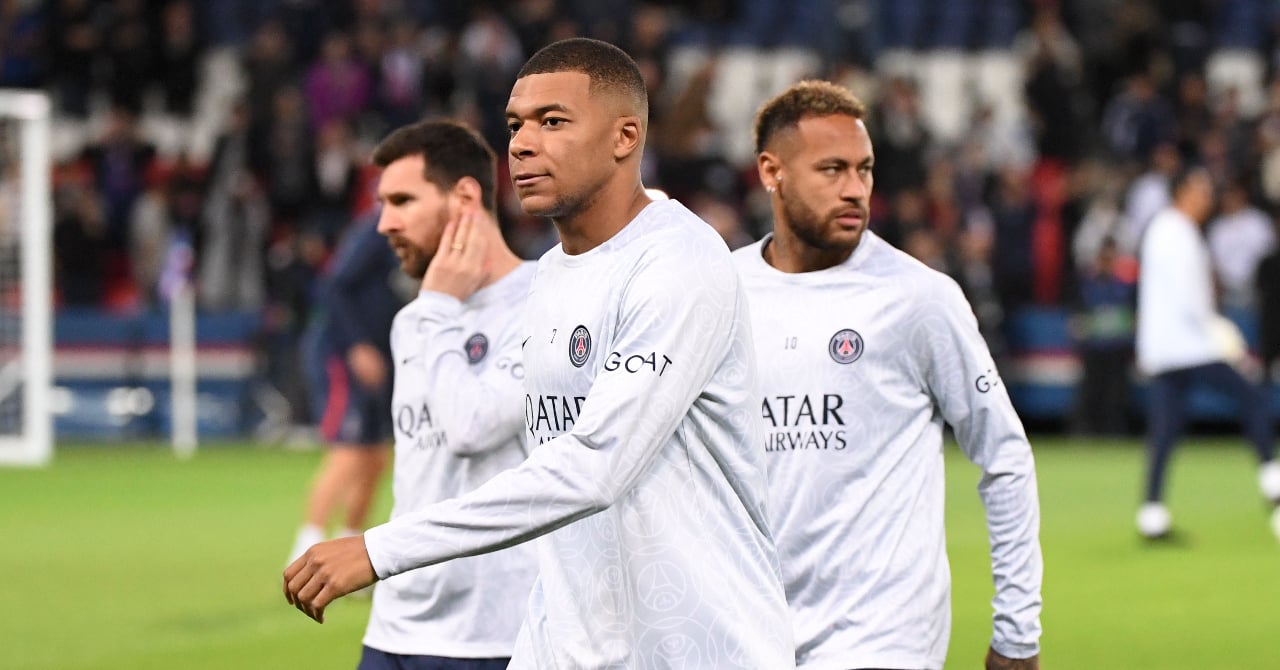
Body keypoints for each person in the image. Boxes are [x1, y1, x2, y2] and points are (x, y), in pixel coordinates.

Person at [284, 37, 795, 669]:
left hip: (699, 648)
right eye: (515, 126)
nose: (522, 144)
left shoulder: (677, 261)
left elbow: (593, 467)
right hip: (570, 646)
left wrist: (382, 548)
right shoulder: (552, 272)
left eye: (552, 121)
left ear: (625, 137)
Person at [733, 80, 1043, 670]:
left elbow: (1004, 454)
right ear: (772, 172)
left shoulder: (919, 299)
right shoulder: (720, 294)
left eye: (865, 169)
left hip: (883, 639)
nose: (855, 189)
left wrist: (1017, 630)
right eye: (832, 169)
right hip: (748, 637)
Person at [356, 119, 539, 669]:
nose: (385, 223)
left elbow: (471, 428)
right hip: (395, 627)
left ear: (464, 196)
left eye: (402, 201)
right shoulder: (413, 320)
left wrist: (438, 307)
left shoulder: (545, 301)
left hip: (495, 635)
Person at [1135, 166, 1280, 540]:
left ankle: (1152, 514)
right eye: (1200, 189)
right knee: (1253, 397)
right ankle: (1273, 481)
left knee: (1165, 430)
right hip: (1190, 346)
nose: (1207, 197)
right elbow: (1189, 298)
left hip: (1164, 349)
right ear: (1182, 191)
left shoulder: (1163, 229)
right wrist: (1220, 333)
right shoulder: (1178, 232)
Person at [288, 210, 402, 564]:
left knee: (376, 457)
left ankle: (347, 549)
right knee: (348, 450)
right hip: (344, 356)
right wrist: (357, 345)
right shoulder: (379, 231)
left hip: (382, 357)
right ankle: (305, 551)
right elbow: (333, 286)